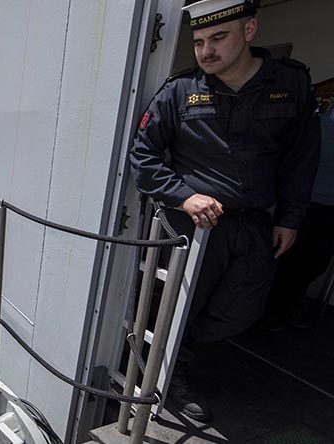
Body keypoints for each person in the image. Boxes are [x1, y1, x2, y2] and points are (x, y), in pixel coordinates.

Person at [128, 0, 320, 422]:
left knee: (243, 309)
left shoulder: (290, 84)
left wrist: (290, 216)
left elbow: (301, 157)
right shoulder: (180, 92)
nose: (206, 51)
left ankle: (181, 348)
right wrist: (183, 196)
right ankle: (169, 374)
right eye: (199, 42)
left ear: (250, 30)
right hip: (193, 225)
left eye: (219, 38)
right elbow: (143, 156)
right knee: (178, 305)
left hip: (253, 222)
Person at [264, 92, 334, 329]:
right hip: (304, 205)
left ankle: (288, 307)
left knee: (315, 262)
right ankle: (271, 310)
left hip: (330, 210)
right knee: (289, 258)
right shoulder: (319, 126)